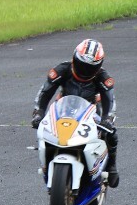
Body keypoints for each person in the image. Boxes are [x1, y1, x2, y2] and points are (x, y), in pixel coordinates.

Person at [31, 39, 120, 187]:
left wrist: (108, 119)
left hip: (91, 111)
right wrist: (38, 112)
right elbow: (45, 92)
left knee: (111, 133)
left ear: (99, 66)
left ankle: (112, 166)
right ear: (74, 58)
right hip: (62, 110)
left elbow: (110, 101)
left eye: (90, 68)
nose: (85, 70)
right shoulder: (62, 69)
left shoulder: (104, 78)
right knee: (44, 129)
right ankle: (48, 161)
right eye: (82, 65)